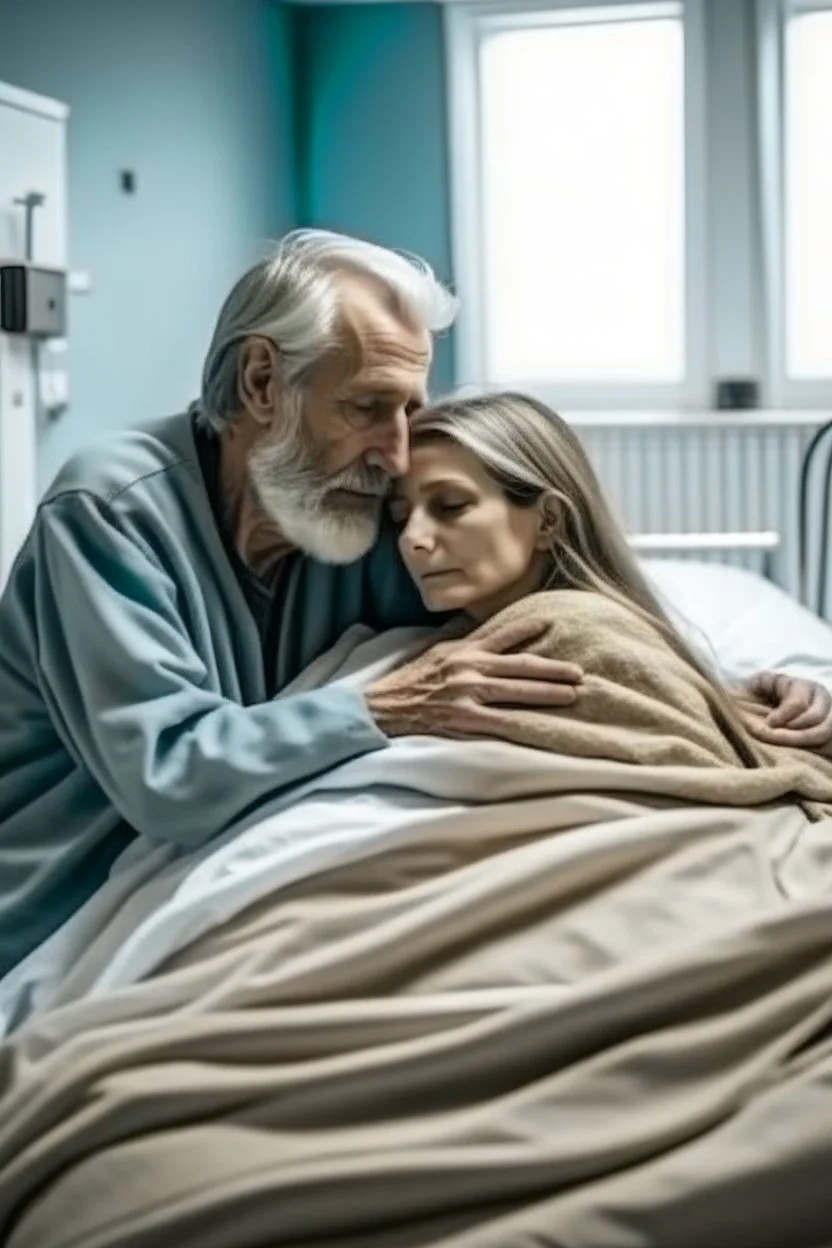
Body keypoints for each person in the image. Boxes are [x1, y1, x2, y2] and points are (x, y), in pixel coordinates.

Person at [0, 234, 582, 978]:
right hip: (62, 921)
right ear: (263, 382)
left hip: (232, 893)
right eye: (368, 406)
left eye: (410, 410)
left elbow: (538, 611)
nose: (396, 454)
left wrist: (721, 680)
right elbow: (167, 777)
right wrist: (381, 708)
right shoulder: (109, 510)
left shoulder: (360, 507)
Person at [375, 390, 832, 756]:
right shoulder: (391, 656)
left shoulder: (598, 630)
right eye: (400, 516)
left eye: (450, 506)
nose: (412, 537)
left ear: (548, 520)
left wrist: (753, 699)